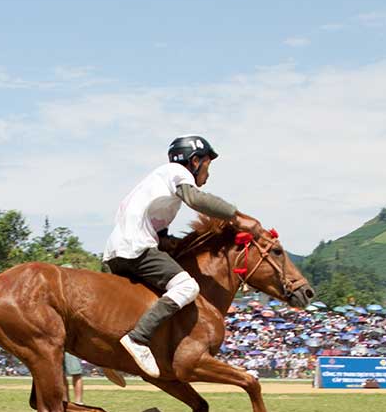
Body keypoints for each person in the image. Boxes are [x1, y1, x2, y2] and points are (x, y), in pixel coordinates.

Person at [103, 135, 266, 377]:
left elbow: (160, 233)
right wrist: (236, 216)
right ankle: (138, 339)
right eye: (208, 167)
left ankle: (110, 354)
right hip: (136, 248)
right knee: (188, 287)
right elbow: (196, 199)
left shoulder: (155, 183)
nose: (208, 176)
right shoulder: (177, 173)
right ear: (195, 161)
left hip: (113, 253)